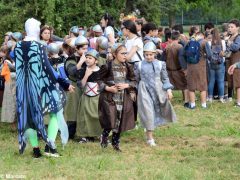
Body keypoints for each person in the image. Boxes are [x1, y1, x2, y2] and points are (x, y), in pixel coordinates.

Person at [15, 18, 74, 158]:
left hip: (23, 88)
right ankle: (50, 145)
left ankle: (36, 150)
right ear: (36, 30)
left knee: (29, 116)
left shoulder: (17, 46)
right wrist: (64, 83)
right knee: (55, 111)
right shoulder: (39, 46)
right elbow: (48, 69)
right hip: (41, 87)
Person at [134, 41, 177, 146]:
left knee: (157, 110)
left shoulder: (160, 64)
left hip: (158, 90)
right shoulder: (139, 65)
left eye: (151, 54)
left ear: (155, 54)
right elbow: (136, 79)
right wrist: (135, 92)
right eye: (146, 55)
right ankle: (150, 138)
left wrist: (169, 90)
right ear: (143, 54)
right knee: (148, 112)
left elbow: (165, 78)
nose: (148, 57)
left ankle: (149, 126)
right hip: (144, 90)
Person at [98, 43, 137, 152]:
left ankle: (116, 143)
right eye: (122, 53)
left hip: (123, 97)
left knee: (120, 120)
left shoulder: (128, 66)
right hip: (110, 97)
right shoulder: (107, 66)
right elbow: (99, 81)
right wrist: (108, 88)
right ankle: (104, 136)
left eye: (126, 53)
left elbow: (134, 80)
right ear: (115, 54)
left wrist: (127, 85)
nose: (125, 55)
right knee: (111, 119)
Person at [75, 49, 102, 142]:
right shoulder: (83, 71)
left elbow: (103, 84)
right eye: (86, 58)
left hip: (97, 97)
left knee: (97, 116)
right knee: (84, 116)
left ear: (96, 60)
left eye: (90, 58)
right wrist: (86, 75)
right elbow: (81, 85)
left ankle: (99, 134)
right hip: (86, 96)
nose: (87, 60)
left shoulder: (100, 71)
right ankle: (84, 135)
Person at [186, 32, 211, 109]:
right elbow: (210, 55)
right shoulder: (204, 42)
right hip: (201, 67)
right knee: (202, 85)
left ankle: (192, 105)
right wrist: (205, 56)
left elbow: (184, 53)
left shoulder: (189, 42)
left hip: (190, 67)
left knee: (191, 86)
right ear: (202, 36)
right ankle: (203, 105)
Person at [165, 31, 189, 106]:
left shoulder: (167, 47)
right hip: (178, 70)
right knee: (185, 85)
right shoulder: (179, 47)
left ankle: (168, 102)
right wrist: (185, 69)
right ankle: (186, 101)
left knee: (168, 87)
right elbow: (181, 59)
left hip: (169, 70)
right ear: (178, 38)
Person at [207, 28, 226, 103]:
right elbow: (224, 52)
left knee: (211, 81)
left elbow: (208, 54)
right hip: (220, 63)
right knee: (221, 81)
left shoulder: (209, 43)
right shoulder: (223, 42)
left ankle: (210, 97)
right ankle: (221, 98)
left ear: (211, 34)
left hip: (211, 63)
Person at [225, 19, 240, 107]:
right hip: (230, 61)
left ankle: (239, 103)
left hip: (237, 63)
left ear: (237, 28)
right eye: (229, 27)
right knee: (233, 82)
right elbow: (228, 51)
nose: (229, 29)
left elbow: (236, 47)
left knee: (238, 84)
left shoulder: (238, 37)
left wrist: (229, 43)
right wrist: (224, 53)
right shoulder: (230, 37)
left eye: (232, 27)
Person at [0, 46, 16, 123]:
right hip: (10, 81)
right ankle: (9, 118)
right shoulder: (6, 60)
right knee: (10, 99)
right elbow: (13, 68)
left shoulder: (12, 60)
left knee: (13, 99)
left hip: (13, 80)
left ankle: (13, 118)